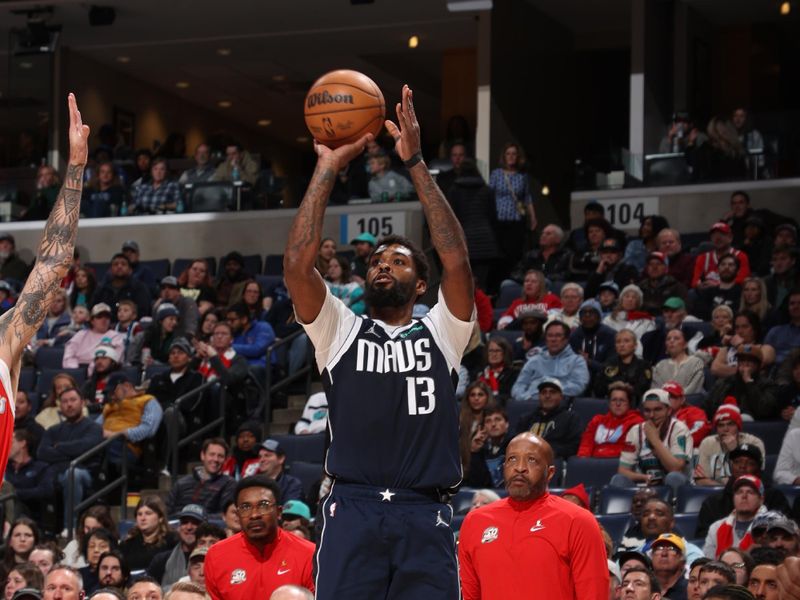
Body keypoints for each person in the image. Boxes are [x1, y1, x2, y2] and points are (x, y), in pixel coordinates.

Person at [283, 85, 475, 600]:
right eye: (376, 260)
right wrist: (326, 167)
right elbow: (297, 266)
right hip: (353, 506)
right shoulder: (340, 329)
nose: (383, 264)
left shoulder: (443, 330)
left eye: (399, 260)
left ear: (420, 285)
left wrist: (414, 162)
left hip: (424, 509)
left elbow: (456, 259)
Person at [458, 433, 608, 599]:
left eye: (532, 460)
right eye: (512, 459)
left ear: (550, 473)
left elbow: (594, 594)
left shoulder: (578, 521)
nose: (519, 467)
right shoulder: (475, 522)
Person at [204, 476, 315, 599]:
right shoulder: (216, 556)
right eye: (245, 507)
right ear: (238, 514)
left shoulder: (308, 554)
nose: (254, 515)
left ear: (278, 512)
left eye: (263, 506)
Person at [36, 387, 103, 529]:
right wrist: (71, 452)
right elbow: (42, 453)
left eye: (73, 400)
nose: (69, 405)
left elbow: (85, 447)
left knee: (73, 473)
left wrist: (58, 446)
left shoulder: (94, 428)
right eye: (65, 401)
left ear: (82, 402)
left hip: (84, 473)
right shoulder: (53, 430)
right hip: (57, 472)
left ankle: (70, 527)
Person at [612, 388, 693, 494]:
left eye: (657, 409)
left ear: (668, 410)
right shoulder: (635, 431)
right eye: (647, 410)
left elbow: (676, 468)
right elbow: (623, 471)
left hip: (675, 486)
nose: (652, 415)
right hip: (644, 487)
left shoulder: (679, 429)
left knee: (674, 477)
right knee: (618, 480)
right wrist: (644, 477)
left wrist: (654, 440)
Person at [511, 321, 590, 401]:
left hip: (561, 404)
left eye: (558, 336)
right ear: (545, 339)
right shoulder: (534, 360)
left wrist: (549, 394)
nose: (553, 339)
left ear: (566, 339)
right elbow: (518, 386)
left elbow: (578, 386)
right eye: (550, 336)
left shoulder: (577, 361)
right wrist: (526, 397)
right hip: (531, 402)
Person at [99, 372, 163, 466]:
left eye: (114, 392)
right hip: (103, 442)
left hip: (126, 447)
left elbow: (149, 429)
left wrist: (116, 435)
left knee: (98, 448)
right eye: (109, 394)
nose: (111, 396)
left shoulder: (147, 400)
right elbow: (94, 427)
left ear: (127, 386)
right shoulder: (109, 405)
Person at [695, 405, 766, 486]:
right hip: (718, 492)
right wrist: (725, 489)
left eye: (730, 424)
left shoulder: (754, 442)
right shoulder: (707, 443)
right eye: (721, 425)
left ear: (738, 427)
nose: (725, 429)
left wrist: (734, 450)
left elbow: (756, 476)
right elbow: (700, 480)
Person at [707, 347, 780, 421]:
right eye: (742, 360)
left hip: (754, 426)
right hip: (723, 422)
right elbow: (707, 406)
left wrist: (749, 382)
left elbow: (764, 410)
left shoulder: (768, 385)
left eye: (749, 361)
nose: (745, 364)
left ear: (758, 365)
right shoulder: (724, 383)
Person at [704, 474, 768, 558]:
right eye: (739, 492)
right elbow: (707, 563)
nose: (744, 496)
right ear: (733, 498)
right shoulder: (716, 528)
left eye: (750, 492)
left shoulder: (769, 527)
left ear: (761, 500)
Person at [167, 439, 236, 516]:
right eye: (212, 454)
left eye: (220, 456)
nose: (216, 459)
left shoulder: (228, 484)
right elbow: (167, 511)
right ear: (203, 455)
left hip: (210, 526)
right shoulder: (181, 483)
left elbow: (224, 515)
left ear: (225, 460)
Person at [146, 504, 205, 590]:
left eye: (195, 523)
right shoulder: (161, 560)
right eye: (184, 522)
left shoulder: (213, 559)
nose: (189, 527)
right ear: (179, 527)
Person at [578, 382, 644, 458]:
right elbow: (586, 443)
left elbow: (631, 449)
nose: (618, 404)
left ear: (629, 404)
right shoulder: (597, 420)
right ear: (609, 403)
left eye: (622, 400)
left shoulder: (636, 422)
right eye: (614, 400)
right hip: (594, 463)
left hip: (619, 463)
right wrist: (583, 458)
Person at [119, 496, 178, 572]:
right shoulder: (127, 544)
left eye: (148, 513)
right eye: (139, 514)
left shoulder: (172, 541)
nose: (143, 518)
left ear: (160, 518)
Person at [569, 299, 617, 388]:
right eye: (584, 313)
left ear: (599, 316)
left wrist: (589, 362)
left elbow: (611, 368)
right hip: (578, 380)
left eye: (592, 312)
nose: (587, 315)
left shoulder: (610, 335)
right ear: (579, 318)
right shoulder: (574, 336)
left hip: (605, 381)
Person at [5, 430, 52, 520]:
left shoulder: (40, 468)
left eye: (10, 442)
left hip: (30, 513)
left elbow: (46, 491)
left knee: (16, 505)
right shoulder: (4, 468)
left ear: (22, 443)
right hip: (4, 509)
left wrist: (15, 493)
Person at [593, 329, 652, 401]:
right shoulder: (608, 364)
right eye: (618, 342)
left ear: (635, 346)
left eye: (626, 341)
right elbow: (597, 389)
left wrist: (628, 388)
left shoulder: (644, 365)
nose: (622, 345)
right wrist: (612, 386)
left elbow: (644, 388)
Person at [62, 304, 124, 370]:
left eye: (107, 317)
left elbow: (114, 360)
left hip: (102, 371)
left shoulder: (116, 337)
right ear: (92, 320)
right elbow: (68, 355)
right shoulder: (81, 334)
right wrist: (76, 371)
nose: (104, 320)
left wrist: (92, 370)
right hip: (77, 369)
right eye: (99, 317)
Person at [507, 224, 571, 286]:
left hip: (551, 283)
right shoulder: (531, 255)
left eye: (548, 234)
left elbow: (566, 274)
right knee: (507, 283)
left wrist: (541, 279)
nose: (543, 235)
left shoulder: (566, 255)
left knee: (546, 282)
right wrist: (529, 280)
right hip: (529, 283)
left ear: (558, 239)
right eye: (542, 233)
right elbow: (516, 272)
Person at [692, 222, 751, 289]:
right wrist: (700, 284)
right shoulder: (703, 258)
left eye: (721, 234)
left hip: (731, 292)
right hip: (708, 292)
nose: (717, 238)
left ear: (730, 237)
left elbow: (742, 280)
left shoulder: (741, 256)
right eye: (714, 235)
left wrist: (718, 284)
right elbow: (695, 282)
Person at [496, 269, 561, 330]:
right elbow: (506, 318)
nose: (529, 284)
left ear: (541, 285)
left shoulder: (552, 299)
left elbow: (559, 317)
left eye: (533, 281)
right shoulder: (517, 302)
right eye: (526, 281)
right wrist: (504, 323)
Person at [603, 285, 656, 356]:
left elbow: (649, 344)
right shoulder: (609, 320)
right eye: (627, 296)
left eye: (634, 297)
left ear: (638, 302)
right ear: (621, 300)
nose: (630, 299)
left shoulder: (647, 321)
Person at [465, 406, 512, 487]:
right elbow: (475, 484)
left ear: (507, 424)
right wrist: (474, 451)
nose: (493, 424)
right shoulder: (481, 449)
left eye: (497, 419)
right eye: (488, 421)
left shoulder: (515, 445)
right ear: (484, 427)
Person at [652, 329, 705, 394]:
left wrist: (676, 397)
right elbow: (656, 389)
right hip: (663, 402)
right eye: (668, 339)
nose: (671, 341)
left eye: (676, 338)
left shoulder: (696, 362)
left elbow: (694, 387)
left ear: (685, 344)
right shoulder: (660, 365)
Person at [694, 253, 743, 320]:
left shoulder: (742, 292)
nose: (726, 267)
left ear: (738, 271)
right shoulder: (708, 292)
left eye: (731, 265)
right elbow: (700, 313)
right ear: (718, 269)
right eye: (723, 264)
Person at [226, 303, 275, 368]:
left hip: (263, 367)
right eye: (227, 320)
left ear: (244, 319)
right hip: (241, 367)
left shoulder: (263, 327)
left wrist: (229, 348)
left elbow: (257, 349)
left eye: (232, 320)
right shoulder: (235, 333)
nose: (228, 323)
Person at [639, 252, 688, 316]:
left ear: (666, 268)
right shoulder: (640, 287)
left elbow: (683, 309)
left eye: (658, 264)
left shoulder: (677, 287)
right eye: (651, 264)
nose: (654, 267)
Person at [664, 381, 711, 448]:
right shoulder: (653, 414)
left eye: (672, 396)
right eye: (664, 396)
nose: (667, 400)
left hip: (687, 450)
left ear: (682, 400)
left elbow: (700, 430)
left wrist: (676, 442)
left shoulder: (693, 412)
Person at [763, 289, 800, 365]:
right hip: (775, 371)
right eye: (792, 303)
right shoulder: (775, 332)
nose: (796, 306)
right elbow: (764, 357)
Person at [650, 533, 689, 599]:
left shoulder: (690, 590)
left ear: (682, 560)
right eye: (659, 548)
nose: (664, 553)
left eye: (671, 548)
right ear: (652, 556)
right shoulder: (644, 588)